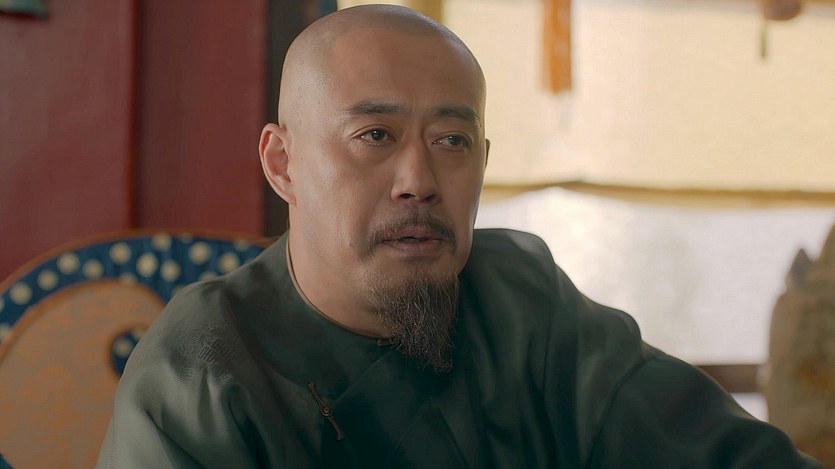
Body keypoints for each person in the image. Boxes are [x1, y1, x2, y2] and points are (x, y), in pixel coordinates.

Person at [98, 4, 820, 468]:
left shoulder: (519, 299)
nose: (418, 179)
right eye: (374, 135)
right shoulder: (203, 375)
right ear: (282, 164)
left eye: (451, 140)